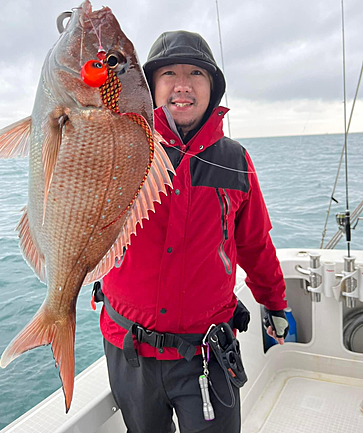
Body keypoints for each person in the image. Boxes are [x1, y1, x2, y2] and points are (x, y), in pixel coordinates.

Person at [98, 30, 288, 433]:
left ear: (212, 87)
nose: (182, 85)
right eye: (169, 73)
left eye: (196, 73)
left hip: (209, 353)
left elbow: (255, 243)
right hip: (129, 349)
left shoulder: (234, 160)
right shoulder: (121, 146)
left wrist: (274, 303)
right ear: (150, 86)